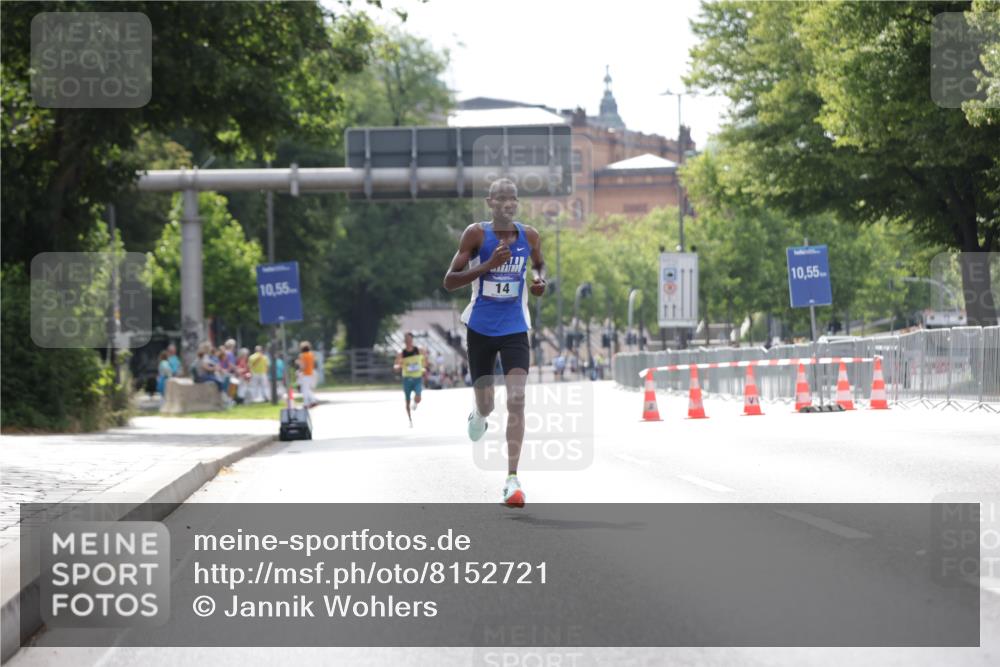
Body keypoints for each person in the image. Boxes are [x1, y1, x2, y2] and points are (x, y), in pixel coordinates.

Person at [443, 178, 546, 508]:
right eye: (501, 199)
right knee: (488, 404)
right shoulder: (476, 235)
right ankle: (478, 413)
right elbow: (449, 281)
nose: (508, 204)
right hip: (481, 328)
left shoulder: (528, 236)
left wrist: (539, 280)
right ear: (490, 203)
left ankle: (512, 479)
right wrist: (488, 266)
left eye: (513, 199)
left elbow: (539, 263)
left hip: (515, 326)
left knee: (517, 399)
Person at [393, 332, 426, 427]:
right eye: (406, 340)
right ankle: (410, 420)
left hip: (417, 378)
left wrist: (424, 367)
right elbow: (395, 365)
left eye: (410, 339)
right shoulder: (401, 353)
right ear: (404, 341)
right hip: (407, 379)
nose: (408, 341)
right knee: (407, 401)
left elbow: (424, 360)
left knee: (419, 397)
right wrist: (397, 366)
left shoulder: (418, 350)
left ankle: (415, 402)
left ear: (412, 340)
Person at [297, 341, 317, 408]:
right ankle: (312, 401)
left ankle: (306, 403)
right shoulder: (311, 354)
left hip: (305, 374)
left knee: (304, 389)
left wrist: (300, 370)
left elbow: (303, 366)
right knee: (308, 389)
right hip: (311, 373)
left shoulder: (302, 355)